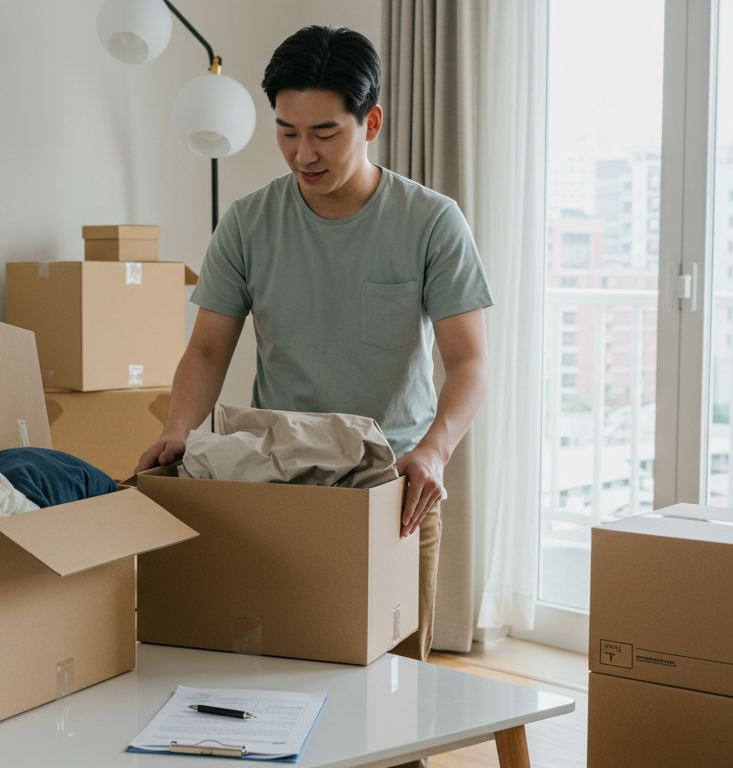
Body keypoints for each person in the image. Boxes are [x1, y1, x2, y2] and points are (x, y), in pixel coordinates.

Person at [135, 25, 492, 672]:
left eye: (324, 132)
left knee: (399, 704)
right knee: (280, 683)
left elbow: (469, 360)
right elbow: (209, 349)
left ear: (371, 122)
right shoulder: (248, 222)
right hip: (278, 485)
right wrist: (178, 430)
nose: (303, 153)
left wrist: (435, 452)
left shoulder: (431, 221)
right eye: (286, 131)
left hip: (393, 491)